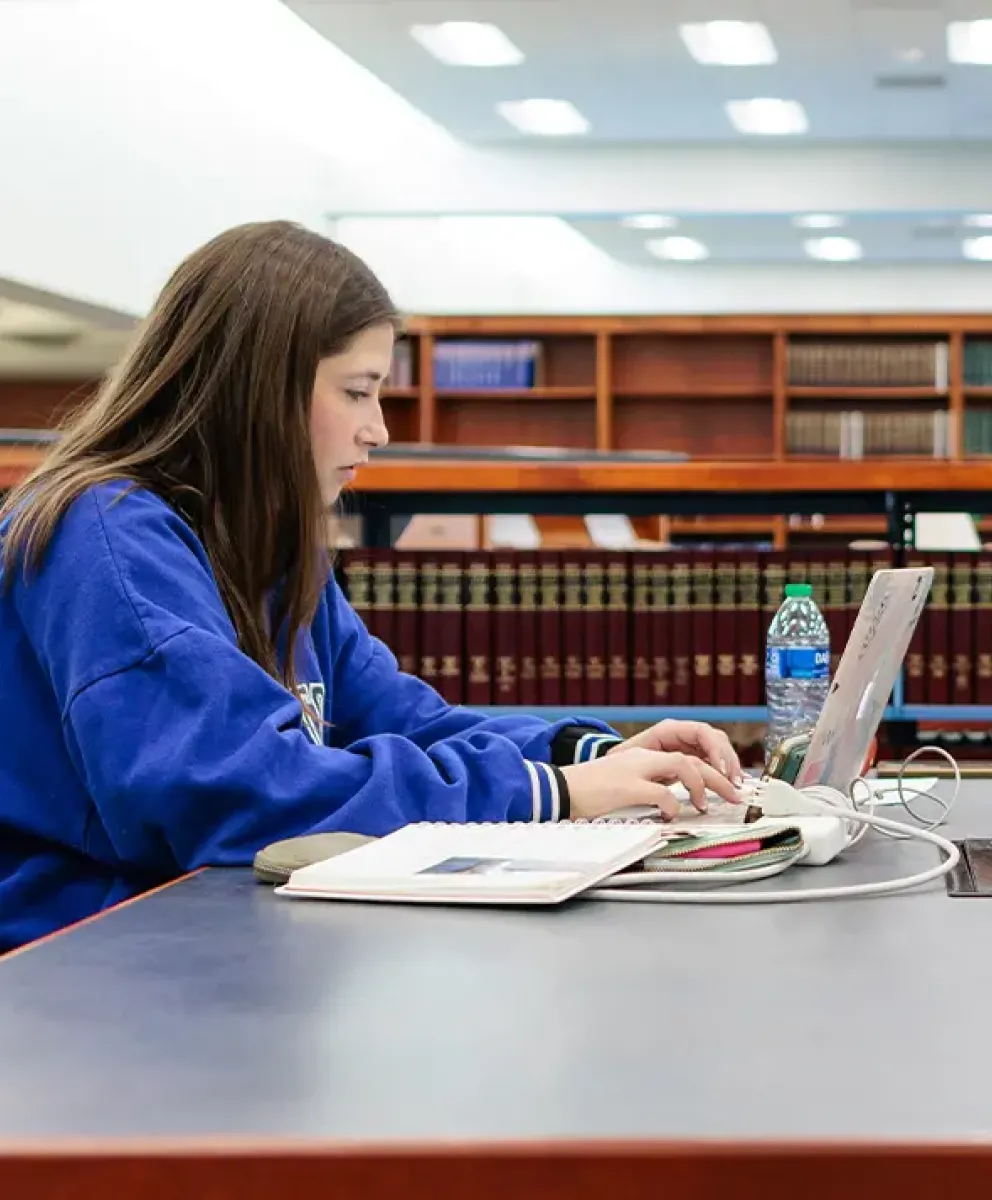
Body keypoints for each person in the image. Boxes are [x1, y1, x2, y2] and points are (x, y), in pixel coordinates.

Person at [0, 220, 743, 952]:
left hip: (207, 936)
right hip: (78, 963)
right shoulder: (104, 536)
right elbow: (233, 794)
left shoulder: (271, 550)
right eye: (358, 392)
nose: (379, 429)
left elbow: (402, 720)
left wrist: (584, 754)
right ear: (259, 391)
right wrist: (547, 796)